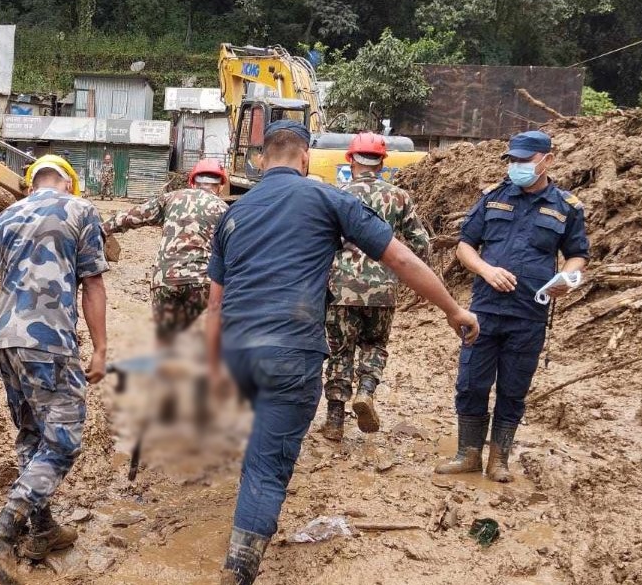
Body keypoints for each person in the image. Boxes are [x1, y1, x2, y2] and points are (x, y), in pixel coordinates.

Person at [205, 120, 479, 584]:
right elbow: (402, 258)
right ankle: (238, 570)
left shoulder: (233, 213)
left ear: (260, 159)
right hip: (290, 350)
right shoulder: (326, 197)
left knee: (255, 446)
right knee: (267, 468)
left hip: (236, 352)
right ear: (306, 157)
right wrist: (453, 309)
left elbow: (214, 303)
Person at [0, 154, 109, 584]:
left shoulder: (6, 215)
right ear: (68, 183)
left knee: (33, 434)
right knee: (64, 440)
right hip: (49, 343)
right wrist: (101, 349)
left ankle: (42, 529)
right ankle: (0, 532)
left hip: (5, 344)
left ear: (31, 185)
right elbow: (93, 284)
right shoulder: (81, 211)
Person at [435, 130, 589, 483]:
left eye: (525, 161)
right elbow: (464, 246)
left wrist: (567, 279)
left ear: (547, 160)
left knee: (513, 388)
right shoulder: (492, 198)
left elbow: (578, 256)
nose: (517, 167)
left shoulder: (566, 207)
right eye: (513, 161)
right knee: (471, 383)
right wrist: (486, 270)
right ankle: (468, 454)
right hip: (484, 311)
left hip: (529, 315)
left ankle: (499, 459)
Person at [320, 133, 432, 441]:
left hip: (341, 289)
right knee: (374, 345)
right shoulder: (399, 197)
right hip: (383, 290)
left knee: (340, 350)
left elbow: (320, 243)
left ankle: (334, 420)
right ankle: (366, 393)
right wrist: (416, 282)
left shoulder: (336, 195)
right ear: (383, 163)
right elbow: (420, 243)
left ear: (350, 160)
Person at [104, 158, 229, 349]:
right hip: (202, 284)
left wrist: (103, 228)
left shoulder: (172, 198)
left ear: (192, 181)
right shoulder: (224, 210)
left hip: (165, 282)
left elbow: (133, 217)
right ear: (220, 186)